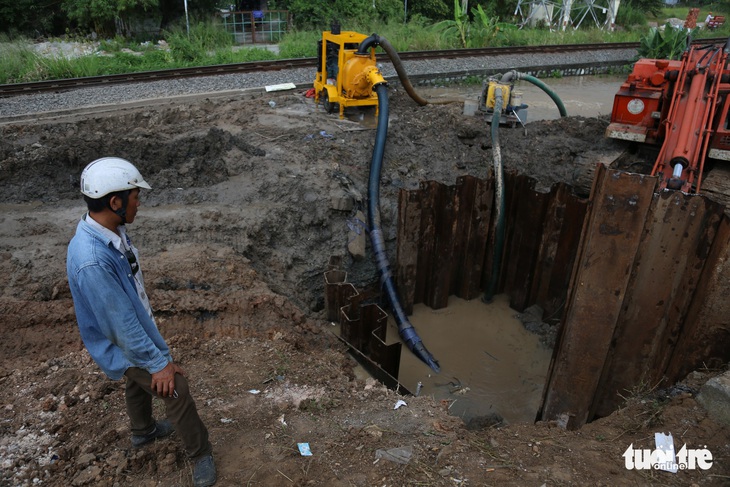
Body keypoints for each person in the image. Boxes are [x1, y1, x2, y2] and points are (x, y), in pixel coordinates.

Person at [66, 157, 216, 487]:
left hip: (129, 330)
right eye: (136, 197)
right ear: (115, 202)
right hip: (119, 339)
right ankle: (200, 452)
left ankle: (143, 431)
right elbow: (120, 326)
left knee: (136, 380)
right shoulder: (92, 260)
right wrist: (158, 363)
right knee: (174, 387)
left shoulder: (108, 231)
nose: (140, 204)